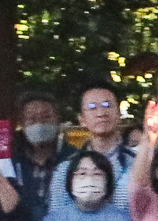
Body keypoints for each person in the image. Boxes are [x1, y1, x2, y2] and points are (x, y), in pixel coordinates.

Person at [50, 79, 136, 210]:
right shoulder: (66, 168)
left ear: (119, 114)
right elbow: (57, 217)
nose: (101, 113)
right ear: (82, 119)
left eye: (107, 105)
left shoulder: (136, 162)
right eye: (92, 107)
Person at [11, 90, 65, 221]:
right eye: (31, 118)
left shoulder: (73, 159)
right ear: (21, 123)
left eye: (46, 117)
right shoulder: (10, 161)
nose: (39, 123)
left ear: (57, 118)